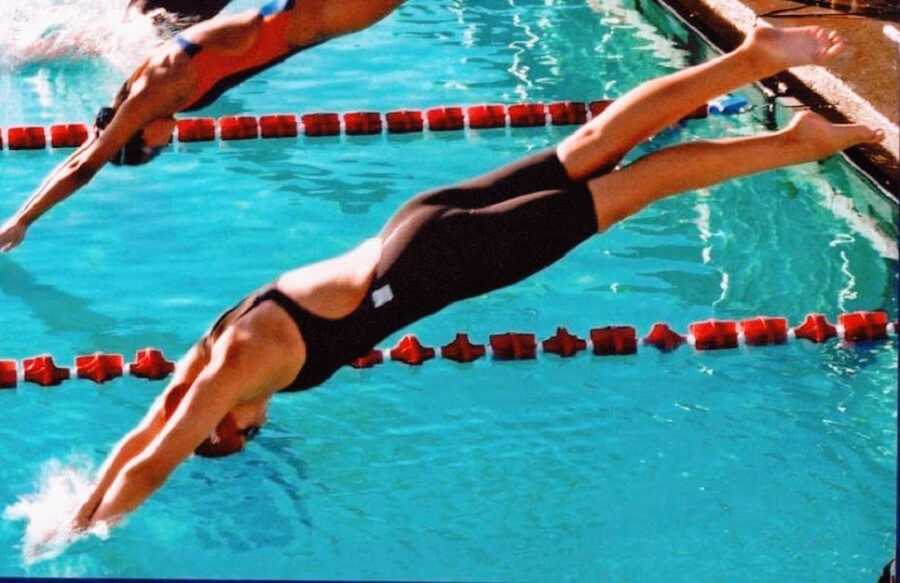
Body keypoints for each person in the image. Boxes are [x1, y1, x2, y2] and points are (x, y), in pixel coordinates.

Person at [71, 25, 882, 529]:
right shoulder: (216, 344)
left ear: (225, 424)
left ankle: (793, 144)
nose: (255, 424)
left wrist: (86, 535)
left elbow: (157, 454)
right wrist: (82, 498)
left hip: (453, 258)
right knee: (597, 141)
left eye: (245, 429)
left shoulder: (246, 367)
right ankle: (752, 56)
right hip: (416, 223)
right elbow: (148, 428)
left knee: (642, 182)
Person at [0, 0, 405, 252]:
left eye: (154, 151)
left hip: (321, 15)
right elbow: (91, 148)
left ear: (142, 135)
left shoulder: (157, 92)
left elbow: (85, 165)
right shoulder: (143, 81)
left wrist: (22, 220)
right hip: (308, 16)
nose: (165, 145)